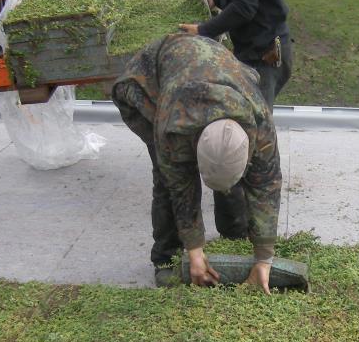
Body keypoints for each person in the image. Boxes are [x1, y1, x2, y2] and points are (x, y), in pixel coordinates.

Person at [112, 33, 282, 294]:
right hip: (149, 80)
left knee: (242, 181)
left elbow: (266, 186)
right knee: (166, 177)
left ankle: (233, 235)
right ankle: (165, 258)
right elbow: (181, 188)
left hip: (214, 68)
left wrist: (264, 258)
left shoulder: (260, 123)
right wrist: (194, 251)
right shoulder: (172, 129)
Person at [178, 0, 292, 108]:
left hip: (264, 57)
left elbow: (243, 7)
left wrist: (202, 31)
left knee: (253, 125)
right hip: (262, 49)